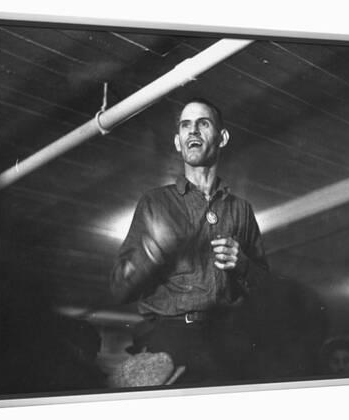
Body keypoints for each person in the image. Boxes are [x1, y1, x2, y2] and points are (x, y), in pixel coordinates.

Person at [110, 98, 269, 384]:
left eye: (203, 123)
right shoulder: (155, 202)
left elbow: (269, 293)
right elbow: (119, 289)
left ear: (222, 137)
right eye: (186, 125)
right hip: (169, 341)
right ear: (177, 141)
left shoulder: (241, 209)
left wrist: (243, 264)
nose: (193, 131)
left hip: (226, 343)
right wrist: (153, 250)